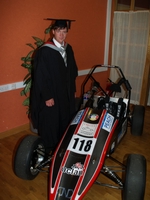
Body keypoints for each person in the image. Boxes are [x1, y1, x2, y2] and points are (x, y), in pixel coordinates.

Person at [30, 19, 78, 152]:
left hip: (66, 94)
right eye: (58, 31)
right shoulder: (44, 51)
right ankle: (49, 151)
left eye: (64, 31)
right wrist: (47, 96)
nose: (61, 35)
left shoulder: (69, 49)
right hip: (51, 95)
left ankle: (62, 147)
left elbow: (72, 72)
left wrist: (73, 90)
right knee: (51, 123)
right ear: (53, 32)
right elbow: (40, 76)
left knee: (65, 120)